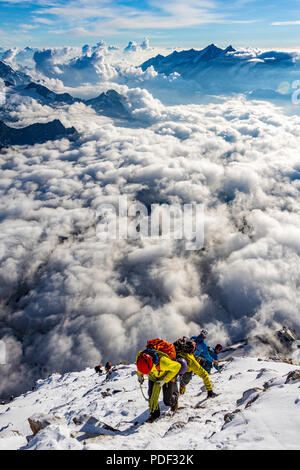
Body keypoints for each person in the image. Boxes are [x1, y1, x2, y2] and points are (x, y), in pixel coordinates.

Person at [136, 349, 183, 423]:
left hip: (165, 375)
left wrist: (165, 380)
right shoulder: (140, 357)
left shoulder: (163, 362)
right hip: (153, 376)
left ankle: (174, 399)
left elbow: (177, 366)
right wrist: (139, 375)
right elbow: (140, 366)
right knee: (152, 396)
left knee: (168, 401)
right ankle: (155, 414)